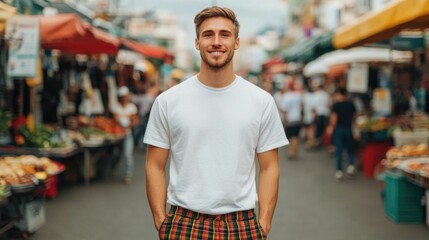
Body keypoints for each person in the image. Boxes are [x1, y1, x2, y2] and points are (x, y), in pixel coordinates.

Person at [144, 6, 288, 240]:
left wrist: (264, 223)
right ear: (197, 42)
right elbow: (154, 165)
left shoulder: (261, 101)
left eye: (225, 34)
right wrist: (161, 221)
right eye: (208, 34)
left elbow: (270, 167)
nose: (216, 41)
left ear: (237, 42)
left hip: (242, 223)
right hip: (183, 222)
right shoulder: (168, 101)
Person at [326, 88, 357, 181]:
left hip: (339, 129)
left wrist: (331, 127)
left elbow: (334, 118)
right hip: (348, 128)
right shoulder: (350, 104)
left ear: (338, 94)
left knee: (339, 150)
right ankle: (351, 166)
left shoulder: (336, 105)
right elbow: (355, 115)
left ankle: (339, 171)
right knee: (350, 149)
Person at [111, 86, 139, 184]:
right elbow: (115, 118)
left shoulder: (132, 107)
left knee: (128, 154)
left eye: (125, 96)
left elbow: (135, 120)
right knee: (115, 154)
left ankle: (128, 174)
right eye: (122, 96)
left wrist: (130, 124)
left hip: (127, 134)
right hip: (117, 135)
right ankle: (113, 167)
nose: (123, 98)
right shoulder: (115, 106)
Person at [280, 80, 303, 159]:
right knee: (296, 136)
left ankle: (291, 151)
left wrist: (284, 120)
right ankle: (295, 150)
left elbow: (284, 110)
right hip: (297, 118)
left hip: (290, 119)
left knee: (290, 137)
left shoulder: (286, 96)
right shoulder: (298, 95)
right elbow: (301, 107)